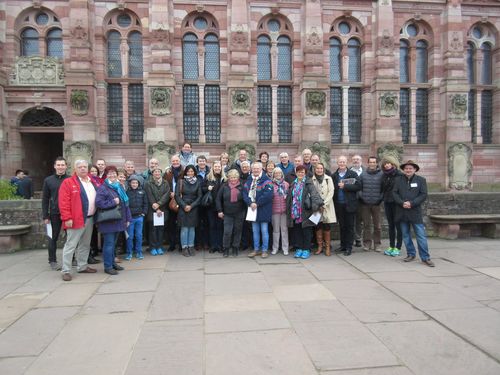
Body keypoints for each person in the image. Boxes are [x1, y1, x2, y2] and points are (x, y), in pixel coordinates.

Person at [58, 160, 98, 281]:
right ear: (75, 169)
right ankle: (66, 270)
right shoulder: (68, 182)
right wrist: (67, 218)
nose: (83, 169)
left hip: (89, 218)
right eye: (80, 167)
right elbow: (63, 202)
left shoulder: (92, 181)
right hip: (75, 219)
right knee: (71, 245)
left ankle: (82, 266)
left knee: (85, 244)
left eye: (85, 167)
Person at [392, 160, 435, 267]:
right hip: (402, 211)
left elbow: (423, 194)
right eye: (406, 168)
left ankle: (425, 257)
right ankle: (411, 254)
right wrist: (402, 203)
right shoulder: (398, 180)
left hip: (414, 211)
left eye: (410, 168)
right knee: (406, 235)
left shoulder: (421, 180)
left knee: (421, 236)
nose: (408, 170)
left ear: (415, 169)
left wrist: (412, 203)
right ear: (404, 169)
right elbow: (394, 193)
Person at [95, 166, 132, 275]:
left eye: (114, 173)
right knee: (109, 244)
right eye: (109, 173)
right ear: (106, 175)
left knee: (113, 244)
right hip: (109, 221)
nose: (112, 175)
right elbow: (99, 203)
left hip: (119, 220)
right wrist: (112, 202)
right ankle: (108, 266)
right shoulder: (103, 188)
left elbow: (126, 204)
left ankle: (112, 263)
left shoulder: (119, 187)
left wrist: (128, 218)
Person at [287, 165, 324, 259]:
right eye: (298, 172)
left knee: (306, 231)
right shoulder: (293, 183)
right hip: (295, 212)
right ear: (296, 173)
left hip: (306, 211)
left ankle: (306, 249)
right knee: (297, 231)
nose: (300, 173)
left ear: (305, 173)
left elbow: (315, 196)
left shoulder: (308, 183)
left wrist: (315, 209)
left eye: (302, 172)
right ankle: (299, 248)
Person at [41, 157, 69, 270]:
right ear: (55, 166)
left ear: (66, 166)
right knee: (53, 237)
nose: (61, 167)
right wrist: (45, 215)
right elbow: (45, 199)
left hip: (68, 213)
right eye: (59, 165)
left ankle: (71, 259)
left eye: (63, 165)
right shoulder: (48, 180)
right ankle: (52, 260)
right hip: (54, 213)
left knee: (70, 237)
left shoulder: (70, 179)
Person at [243, 162, 274, 259]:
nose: (256, 170)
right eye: (254, 168)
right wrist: (250, 203)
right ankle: (256, 249)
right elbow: (244, 193)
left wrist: (257, 203)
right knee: (255, 231)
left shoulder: (267, 180)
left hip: (263, 209)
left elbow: (268, 195)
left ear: (261, 169)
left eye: (257, 168)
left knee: (264, 231)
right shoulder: (249, 180)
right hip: (252, 209)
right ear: (251, 169)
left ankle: (264, 250)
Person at [332, 156, 361, 256]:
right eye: (340, 162)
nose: (342, 163)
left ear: (346, 162)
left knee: (349, 226)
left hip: (349, 204)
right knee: (342, 226)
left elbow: (358, 186)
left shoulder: (352, 174)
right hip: (339, 204)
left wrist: (345, 186)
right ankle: (343, 245)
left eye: (343, 162)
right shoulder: (334, 175)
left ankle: (349, 247)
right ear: (338, 163)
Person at [216, 169, 246, 257]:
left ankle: (235, 248)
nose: (233, 179)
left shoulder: (242, 185)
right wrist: (219, 210)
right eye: (231, 177)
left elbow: (246, 198)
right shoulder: (224, 186)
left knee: (237, 231)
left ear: (238, 178)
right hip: (227, 213)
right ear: (228, 177)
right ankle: (226, 248)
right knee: (227, 232)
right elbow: (218, 199)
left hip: (239, 213)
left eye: (235, 177)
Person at [358, 156, 384, 252]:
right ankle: (367, 243)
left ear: (377, 163)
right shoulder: (363, 174)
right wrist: (362, 197)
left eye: (374, 162)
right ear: (368, 163)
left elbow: (384, 189)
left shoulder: (382, 174)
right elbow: (359, 188)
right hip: (365, 204)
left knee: (377, 225)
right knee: (366, 225)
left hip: (376, 204)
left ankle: (377, 244)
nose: (372, 164)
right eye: (370, 162)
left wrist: (380, 199)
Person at [175, 165, 202, 256]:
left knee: (192, 228)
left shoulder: (197, 182)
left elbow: (199, 196)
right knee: (184, 228)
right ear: (185, 172)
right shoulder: (181, 181)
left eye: (192, 171)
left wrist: (191, 206)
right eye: (188, 171)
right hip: (183, 207)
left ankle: (191, 246)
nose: (190, 173)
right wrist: (184, 205)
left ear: (194, 172)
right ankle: (184, 247)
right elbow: (177, 196)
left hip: (193, 208)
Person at [311, 163, 336, 256]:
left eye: (321, 168)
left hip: (327, 207)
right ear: (315, 169)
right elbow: (311, 193)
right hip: (316, 207)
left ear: (323, 169)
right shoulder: (312, 179)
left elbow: (331, 192)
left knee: (327, 226)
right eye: (317, 168)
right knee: (317, 226)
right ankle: (320, 246)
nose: (319, 170)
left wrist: (324, 204)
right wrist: (317, 204)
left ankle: (328, 247)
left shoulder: (328, 179)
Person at [144, 167, 170, 255]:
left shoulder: (165, 183)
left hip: (163, 209)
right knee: (153, 230)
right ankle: (153, 247)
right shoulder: (148, 183)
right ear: (152, 173)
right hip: (152, 210)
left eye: (159, 171)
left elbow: (166, 195)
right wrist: (155, 206)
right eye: (155, 172)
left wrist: (159, 204)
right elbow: (149, 195)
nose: (157, 173)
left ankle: (159, 246)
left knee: (161, 229)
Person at [381, 158, 403, 257]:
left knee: (398, 225)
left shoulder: (400, 175)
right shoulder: (384, 175)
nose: (387, 165)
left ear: (393, 164)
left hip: (397, 203)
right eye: (385, 164)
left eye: (388, 163)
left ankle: (398, 247)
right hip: (387, 202)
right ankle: (391, 246)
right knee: (391, 225)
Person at [204, 161, 226, 253]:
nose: (217, 168)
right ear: (212, 167)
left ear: (221, 168)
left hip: (222, 207)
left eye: (219, 166)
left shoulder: (224, 179)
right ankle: (213, 246)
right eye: (215, 166)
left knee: (220, 226)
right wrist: (207, 188)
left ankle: (220, 245)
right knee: (212, 226)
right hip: (211, 206)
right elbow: (202, 189)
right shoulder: (208, 178)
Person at [164, 154, 184, 252]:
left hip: (181, 200)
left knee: (181, 223)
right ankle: (172, 244)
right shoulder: (168, 172)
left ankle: (181, 244)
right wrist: (170, 194)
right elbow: (165, 185)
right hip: (170, 201)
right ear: (171, 162)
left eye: (177, 161)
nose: (175, 162)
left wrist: (180, 194)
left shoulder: (184, 171)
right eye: (173, 161)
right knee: (171, 224)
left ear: (180, 161)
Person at [125, 175, 147, 260]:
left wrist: (144, 213)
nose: (134, 184)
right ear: (130, 183)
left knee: (139, 235)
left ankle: (139, 252)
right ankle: (129, 252)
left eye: (136, 183)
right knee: (130, 236)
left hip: (139, 217)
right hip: (130, 218)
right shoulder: (127, 192)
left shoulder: (142, 192)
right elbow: (126, 206)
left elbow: (146, 203)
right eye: (133, 183)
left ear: (138, 183)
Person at [271, 167, 289, 255]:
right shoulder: (271, 184)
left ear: (282, 174)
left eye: (279, 173)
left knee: (284, 230)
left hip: (284, 210)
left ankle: (285, 248)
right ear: (273, 174)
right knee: (275, 230)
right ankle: (275, 248)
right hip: (275, 211)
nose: (278, 174)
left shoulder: (286, 184)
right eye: (276, 173)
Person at [195, 155, 210, 250]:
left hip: (208, 202)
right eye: (200, 161)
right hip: (197, 201)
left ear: (206, 162)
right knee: (197, 224)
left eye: (203, 161)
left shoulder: (210, 172)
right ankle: (198, 243)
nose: (202, 162)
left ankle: (206, 243)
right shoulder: (194, 172)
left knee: (207, 223)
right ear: (197, 162)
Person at [350, 154, 364, 247]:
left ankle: (358, 238)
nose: (356, 161)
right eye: (354, 159)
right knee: (350, 220)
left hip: (362, 200)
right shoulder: (348, 171)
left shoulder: (366, 172)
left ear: (361, 161)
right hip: (351, 199)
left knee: (359, 220)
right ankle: (350, 238)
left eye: (358, 159)